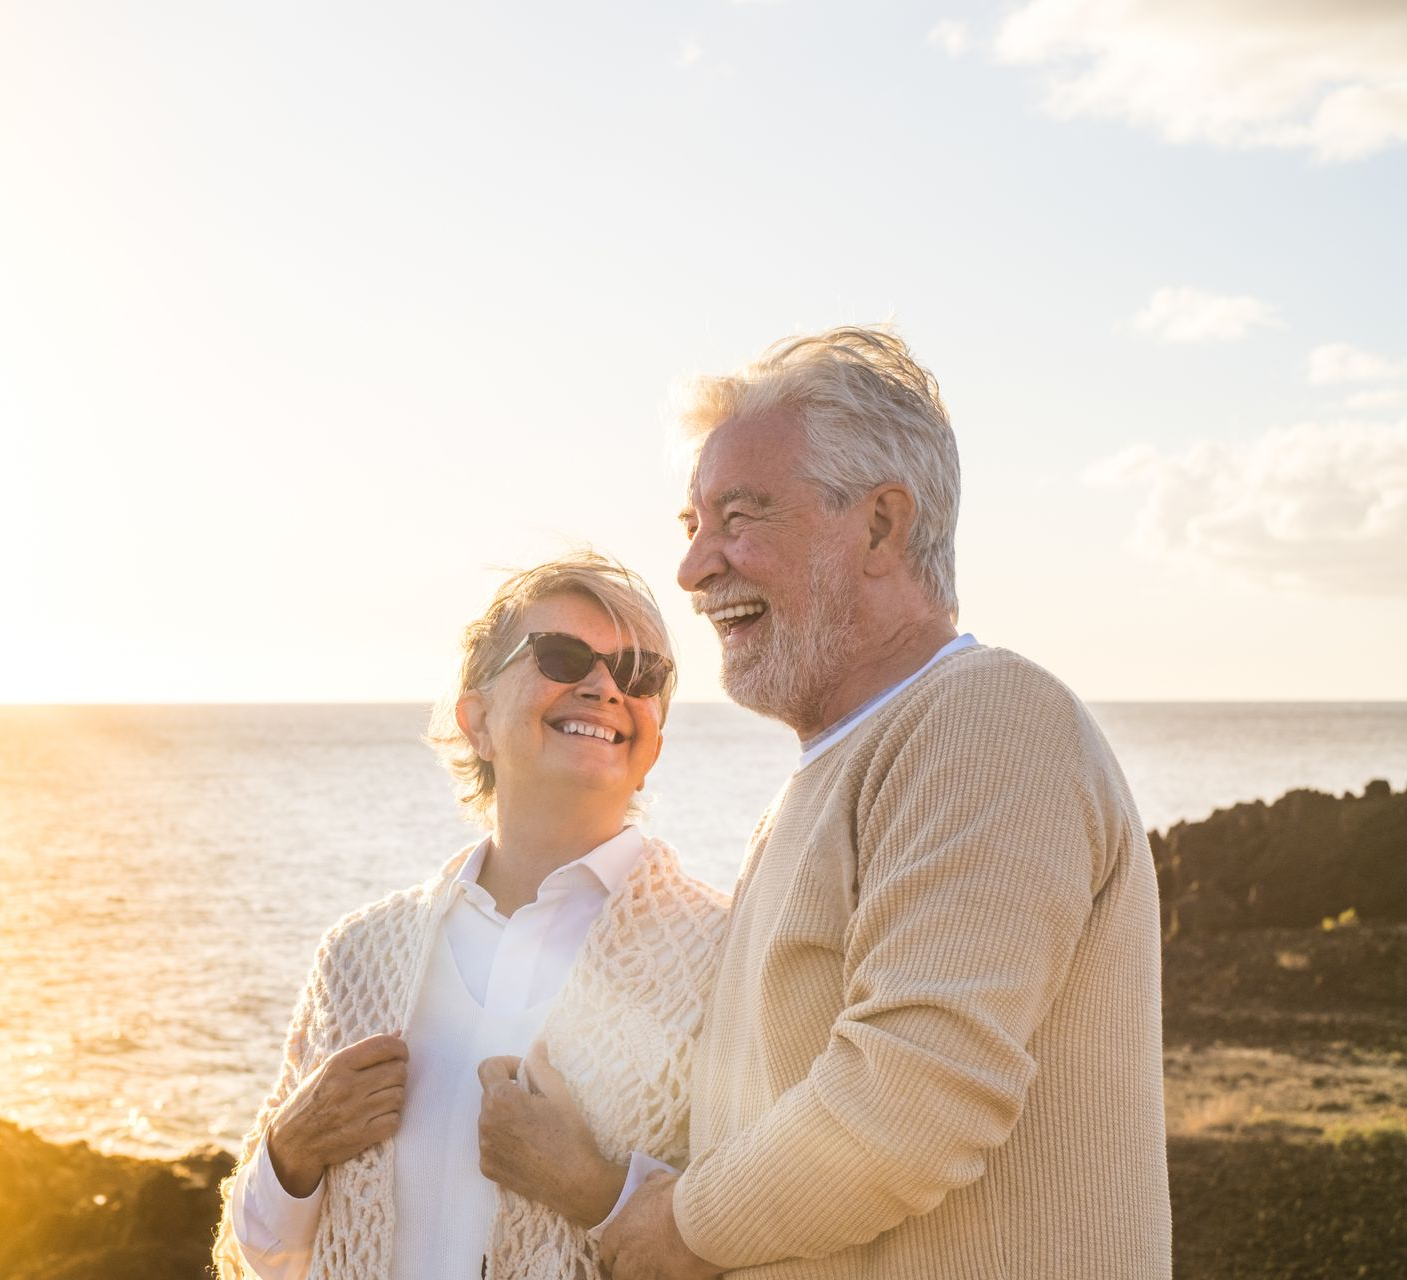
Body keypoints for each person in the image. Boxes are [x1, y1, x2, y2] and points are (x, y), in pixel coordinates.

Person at [488, 327, 1172, 1278]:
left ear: (883, 527)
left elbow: (913, 1097)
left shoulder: (988, 721)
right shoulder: (826, 780)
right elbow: (763, 1135)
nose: (693, 569)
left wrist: (675, 1228)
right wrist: (599, 1186)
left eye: (740, 515)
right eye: (692, 525)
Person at [211, 552, 729, 1280]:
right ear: (476, 718)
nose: (605, 687)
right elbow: (264, 1259)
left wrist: (596, 1189)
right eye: (562, 654)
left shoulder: (723, 952)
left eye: (640, 674)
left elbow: (760, 1246)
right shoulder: (360, 955)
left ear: (653, 745)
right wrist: (289, 1152)